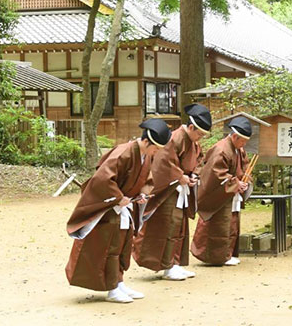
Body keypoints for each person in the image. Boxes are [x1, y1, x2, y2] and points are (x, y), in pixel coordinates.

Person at [65, 119, 171, 303]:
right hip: (110, 207)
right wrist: (118, 197)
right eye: (156, 149)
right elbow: (102, 178)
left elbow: (146, 179)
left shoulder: (145, 155)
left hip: (124, 206)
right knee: (111, 246)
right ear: (146, 142)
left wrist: (142, 193)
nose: (156, 153)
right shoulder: (124, 152)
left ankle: (119, 282)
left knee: (123, 244)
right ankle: (112, 288)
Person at [133, 104, 210, 281]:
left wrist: (193, 176)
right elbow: (162, 161)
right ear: (191, 127)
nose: (200, 138)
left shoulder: (191, 141)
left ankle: (175, 263)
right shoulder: (175, 138)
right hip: (169, 189)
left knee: (180, 226)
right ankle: (167, 266)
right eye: (199, 134)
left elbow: (199, 160)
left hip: (180, 188)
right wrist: (179, 176)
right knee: (169, 226)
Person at [191, 116, 251, 266]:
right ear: (235, 136)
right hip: (220, 192)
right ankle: (215, 256)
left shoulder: (239, 149)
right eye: (242, 141)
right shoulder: (221, 149)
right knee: (220, 223)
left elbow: (244, 168)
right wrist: (235, 183)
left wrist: (245, 181)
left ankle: (227, 253)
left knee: (231, 223)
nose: (244, 144)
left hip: (231, 191)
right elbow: (216, 173)